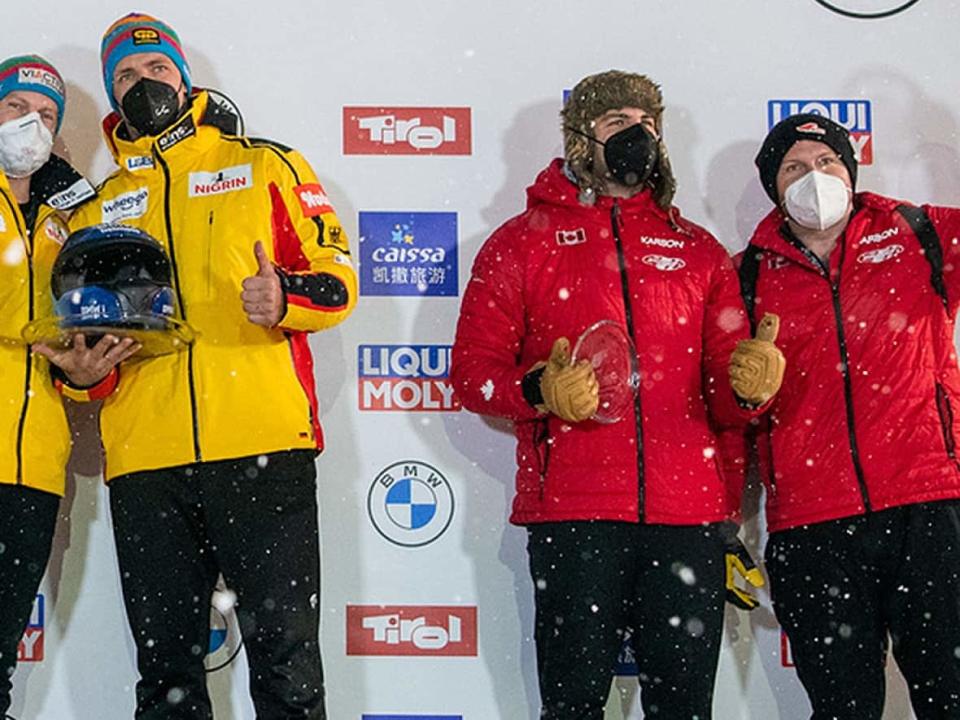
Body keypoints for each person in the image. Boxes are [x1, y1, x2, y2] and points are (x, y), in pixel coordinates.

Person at [39, 13, 357, 720]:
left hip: (263, 446)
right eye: (124, 75)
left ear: (183, 79)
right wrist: (82, 376)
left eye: (155, 70)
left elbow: (336, 275)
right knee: (166, 674)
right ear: (111, 94)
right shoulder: (97, 208)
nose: (141, 84)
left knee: (288, 662)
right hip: (145, 462)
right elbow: (83, 348)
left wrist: (288, 297)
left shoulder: (264, 164)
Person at [450, 69, 783, 719]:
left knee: (683, 707)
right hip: (573, 517)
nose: (638, 135)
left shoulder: (698, 251)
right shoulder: (522, 242)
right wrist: (539, 388)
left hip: (686, 522)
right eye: (616, 123)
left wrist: (751, 389)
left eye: (648, 123)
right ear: (580, 138)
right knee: (572, 705)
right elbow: (471, 373)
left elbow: (726, 401)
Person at [738, 112, 960, 719]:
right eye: (794, 167)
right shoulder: (747, 273)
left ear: (851, 170)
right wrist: (742, 395)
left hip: (928, 508)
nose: (814, 176)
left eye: (827, 161)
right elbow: (724, 407)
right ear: (774, 188)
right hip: (812, 526)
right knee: (842, 709)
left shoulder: (920, 233)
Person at [0, 54, 99, 718]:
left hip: (32, 469)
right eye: (15, 109)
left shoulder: (71, 216)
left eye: (44, 116)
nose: (29, 125)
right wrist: (36, 324)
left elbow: (100, 319)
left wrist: (88, 374)